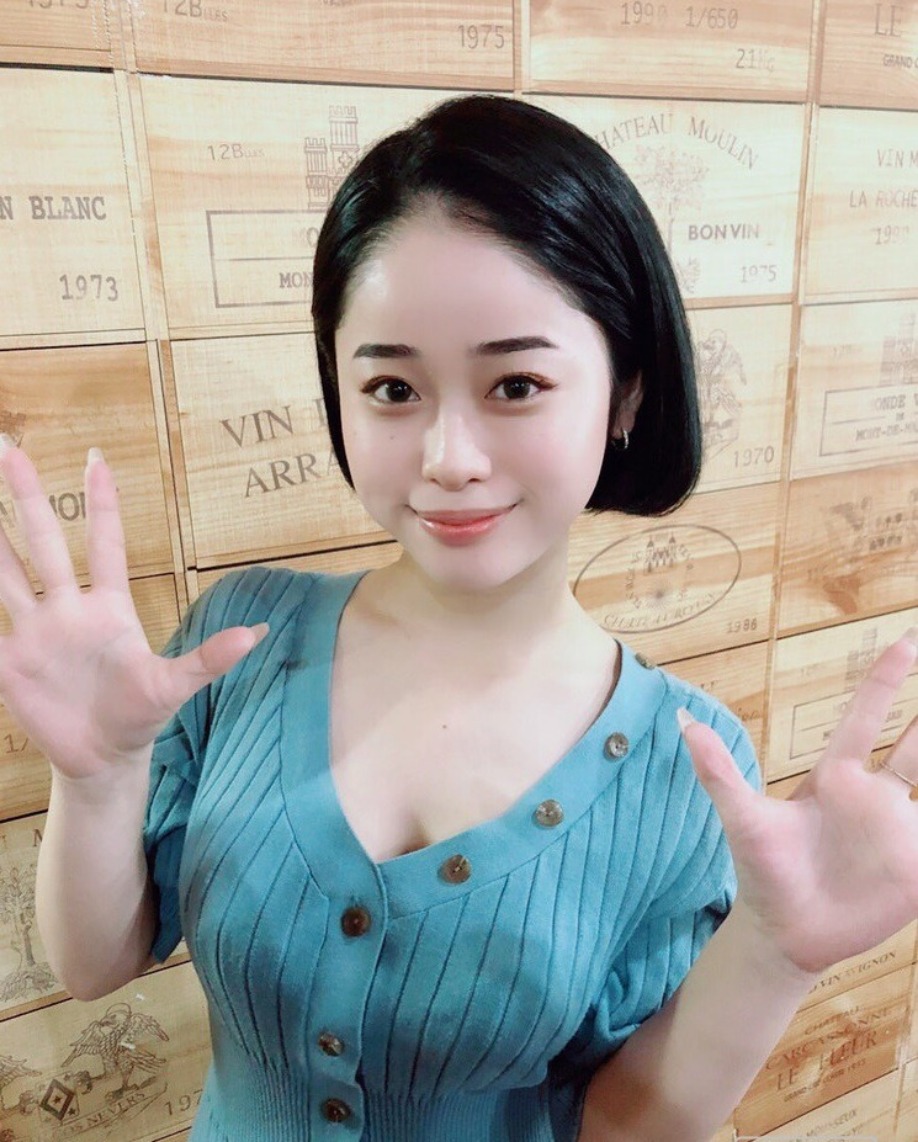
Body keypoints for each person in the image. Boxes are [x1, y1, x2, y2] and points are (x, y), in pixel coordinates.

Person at [15, 93, 918, 1141]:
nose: (449, 457)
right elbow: (96, 963)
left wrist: (772, 951)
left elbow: (620, 1127)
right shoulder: (240, 639)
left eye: (516, 383)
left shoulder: (687, 765)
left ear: (625, 394)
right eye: (394, 389)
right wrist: (98, 777)